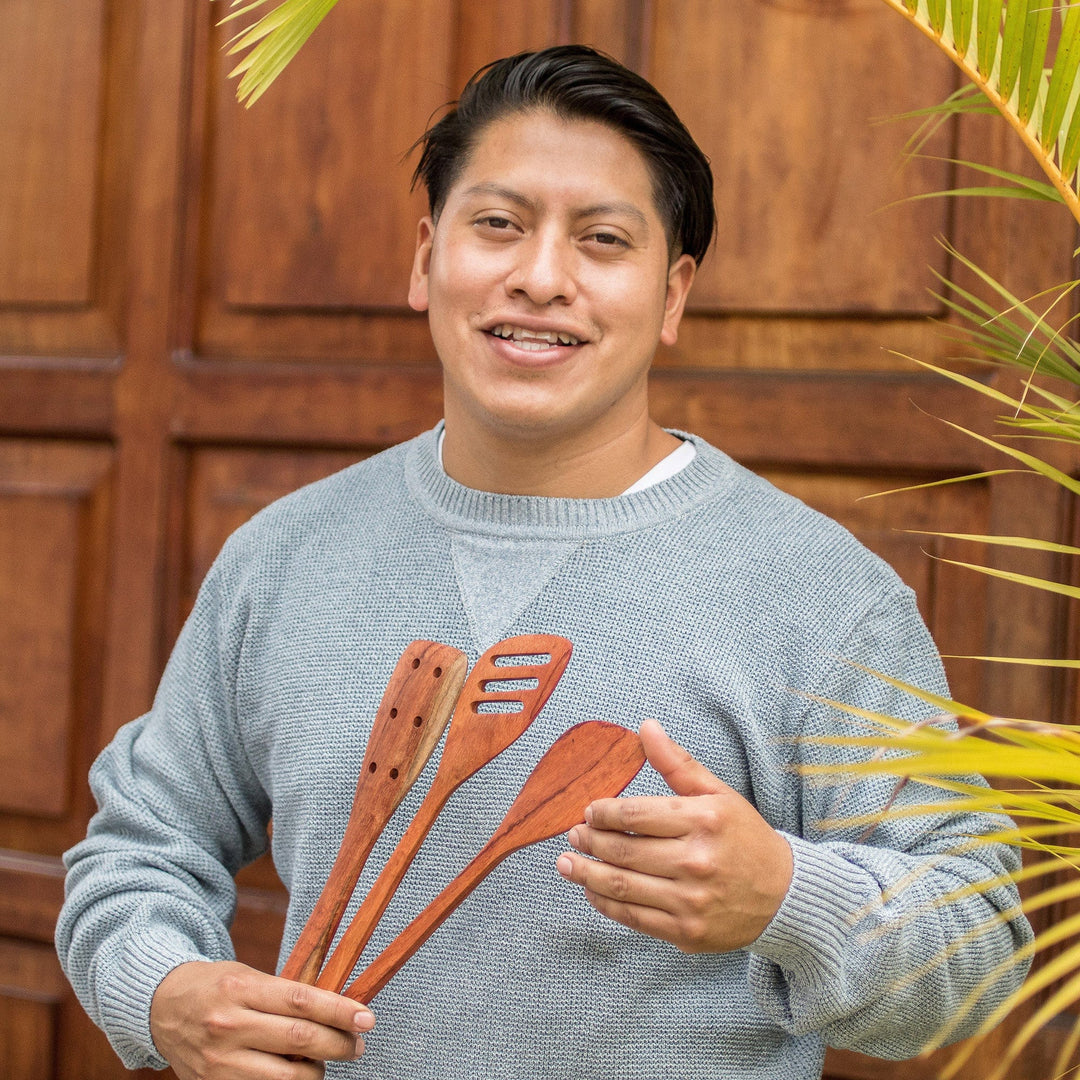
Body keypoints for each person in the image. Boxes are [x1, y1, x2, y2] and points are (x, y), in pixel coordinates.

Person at [56, 44, 1032, 1080]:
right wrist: (161, 988)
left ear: (671, 294)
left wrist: (787, 897)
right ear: (428, 257)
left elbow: (978, 943)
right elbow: (139, 847)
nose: (540, 276)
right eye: (499, 224)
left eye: (603, 239)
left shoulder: (818, 596)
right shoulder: (285, 557)